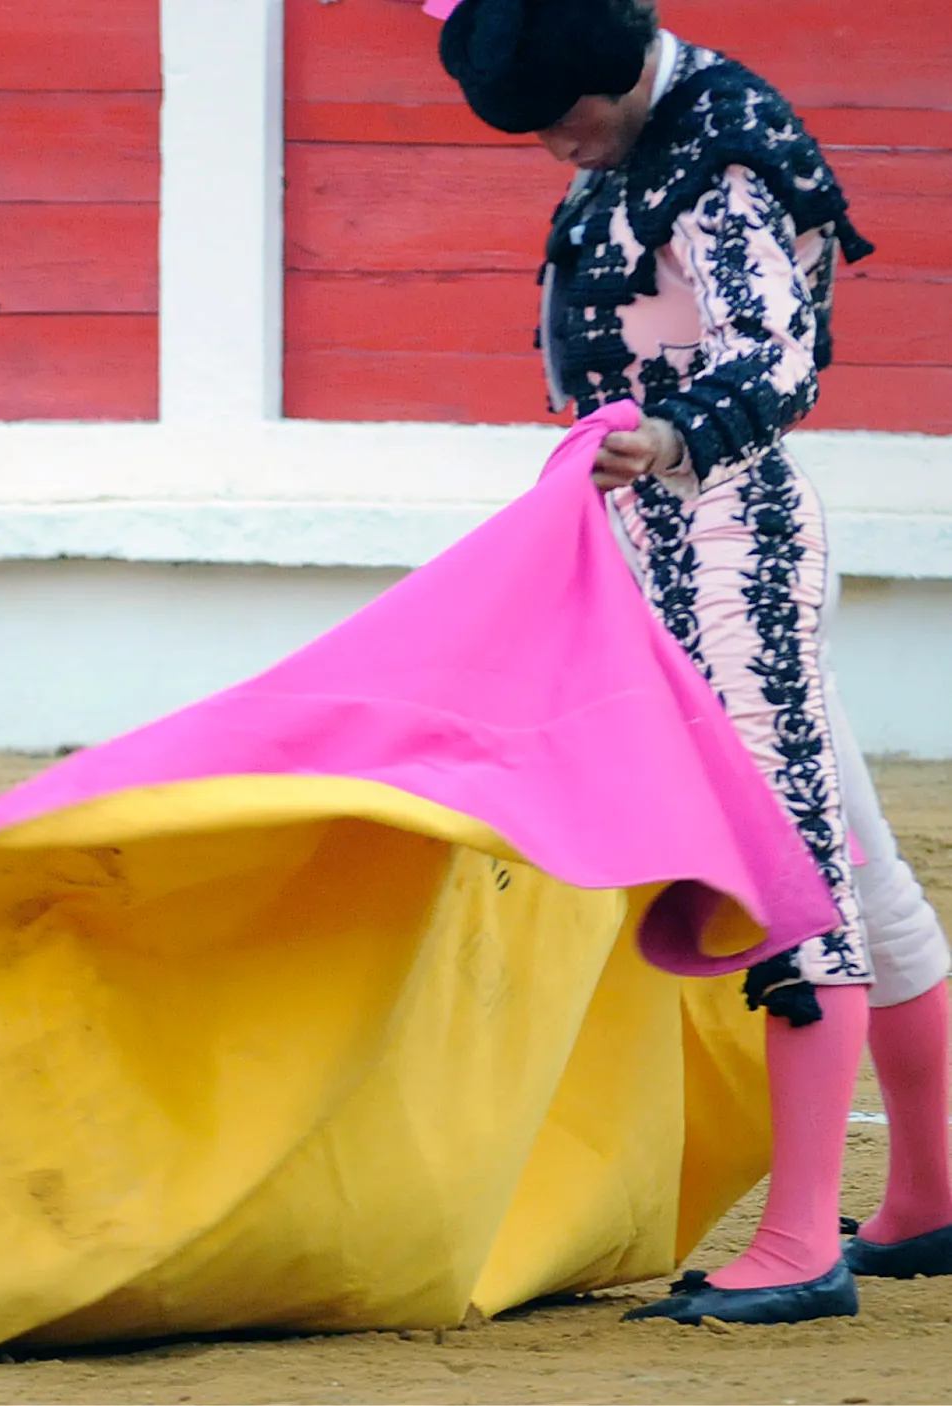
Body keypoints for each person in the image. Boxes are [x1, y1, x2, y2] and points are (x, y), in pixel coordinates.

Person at [436, 0, 952, 1324]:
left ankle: (800, 1242)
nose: (556, 147)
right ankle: (930, 1196)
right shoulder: (650, 128)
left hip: (729, 537)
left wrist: (669, 441)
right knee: (853, 860)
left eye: (567, 121)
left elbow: (775, 358)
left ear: (616, 78)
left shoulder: (719, 152)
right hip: (663, 534)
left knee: (794, 864)